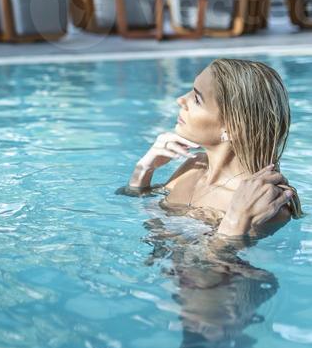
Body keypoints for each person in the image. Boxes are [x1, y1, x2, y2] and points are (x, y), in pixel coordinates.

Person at [124, 58, 303, 236]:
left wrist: (235, 223)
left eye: (197, 98)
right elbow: (139, 208)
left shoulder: (263, 203)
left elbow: (230, 265)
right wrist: (144, 170)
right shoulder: (194, 166)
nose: (180, 100)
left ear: (233, 128)